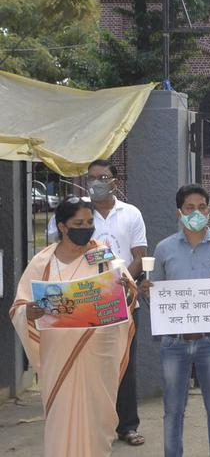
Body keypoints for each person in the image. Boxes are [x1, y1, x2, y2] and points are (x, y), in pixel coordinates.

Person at [10, 196, 136, 457]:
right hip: (59, 356)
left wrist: (125, 293)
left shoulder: (101, 254)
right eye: (78, 223)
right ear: (63, 227)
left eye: (89, 222)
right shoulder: (43, 262)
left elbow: (127, 295)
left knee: (96, 421)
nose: (86, 227)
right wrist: (29, 312)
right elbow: (19, 307)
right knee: (61, 419)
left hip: (99, 353)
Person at [142, 184, 210, 457]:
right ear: (179, 212)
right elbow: (158, 298)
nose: (196, 213)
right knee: (173, 410)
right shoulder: (164, 249)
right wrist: (148, 293)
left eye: (202, 207)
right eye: (190, 208)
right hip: (173, 344)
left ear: (209, 210)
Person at [47, 159, 148, 446]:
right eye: (92, 178)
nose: (97, 182)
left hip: (121, 301)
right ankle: (90, 423)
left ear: (115, 180)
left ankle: (126, 425)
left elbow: (138, 255)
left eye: (103, 176)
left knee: (124, 363)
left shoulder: (130, 215)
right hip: (83, 303)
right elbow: (58, 254)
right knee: (88, 364)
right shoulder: (77, 211)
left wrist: (120, 284)